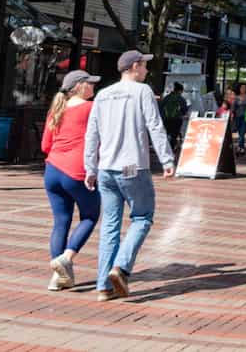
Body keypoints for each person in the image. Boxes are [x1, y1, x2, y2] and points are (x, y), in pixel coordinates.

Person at [84, 50, 175, 302]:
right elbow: (154, 125)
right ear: (135, 66)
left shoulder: (102, 95)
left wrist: (90, 168)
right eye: (144, 65)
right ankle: (121, 267)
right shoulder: (142, 91)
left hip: (106, 168)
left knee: (110, 226)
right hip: (132, 166)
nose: (146, 70)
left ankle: (103, 285)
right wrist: (167, 159)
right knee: (143, 217)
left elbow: (92, 135)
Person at [41, 70, 102, 292]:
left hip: (52, 171)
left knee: (61, 221)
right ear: (79, 86)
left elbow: (44, 146)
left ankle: (57, 278)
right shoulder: (91, 108)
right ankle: (66, 258)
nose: (93, 87)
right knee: (90, 215)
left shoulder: (56, 109)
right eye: (90, 83)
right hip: (77, 171)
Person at [159, 82, 188, 151]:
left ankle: (164, 149)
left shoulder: (167, 97)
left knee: (165, 134)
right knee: (174, 135)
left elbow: (160, 107)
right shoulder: (181, 99)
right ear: (180, 91)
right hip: (177, 120)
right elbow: (184, 110)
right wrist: (182, 114)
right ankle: (171, 149)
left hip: (166, 119)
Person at [232, 83, 246, 156]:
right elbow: (233, 107)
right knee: (240, 134)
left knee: (242, 134)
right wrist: (232, 115)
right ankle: (242, 148)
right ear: (239, 89)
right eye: (242, 88)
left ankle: (239, 148)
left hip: (245, 117)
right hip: (237, 117)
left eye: (244, 88)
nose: (243, 89)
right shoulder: (236, 97)